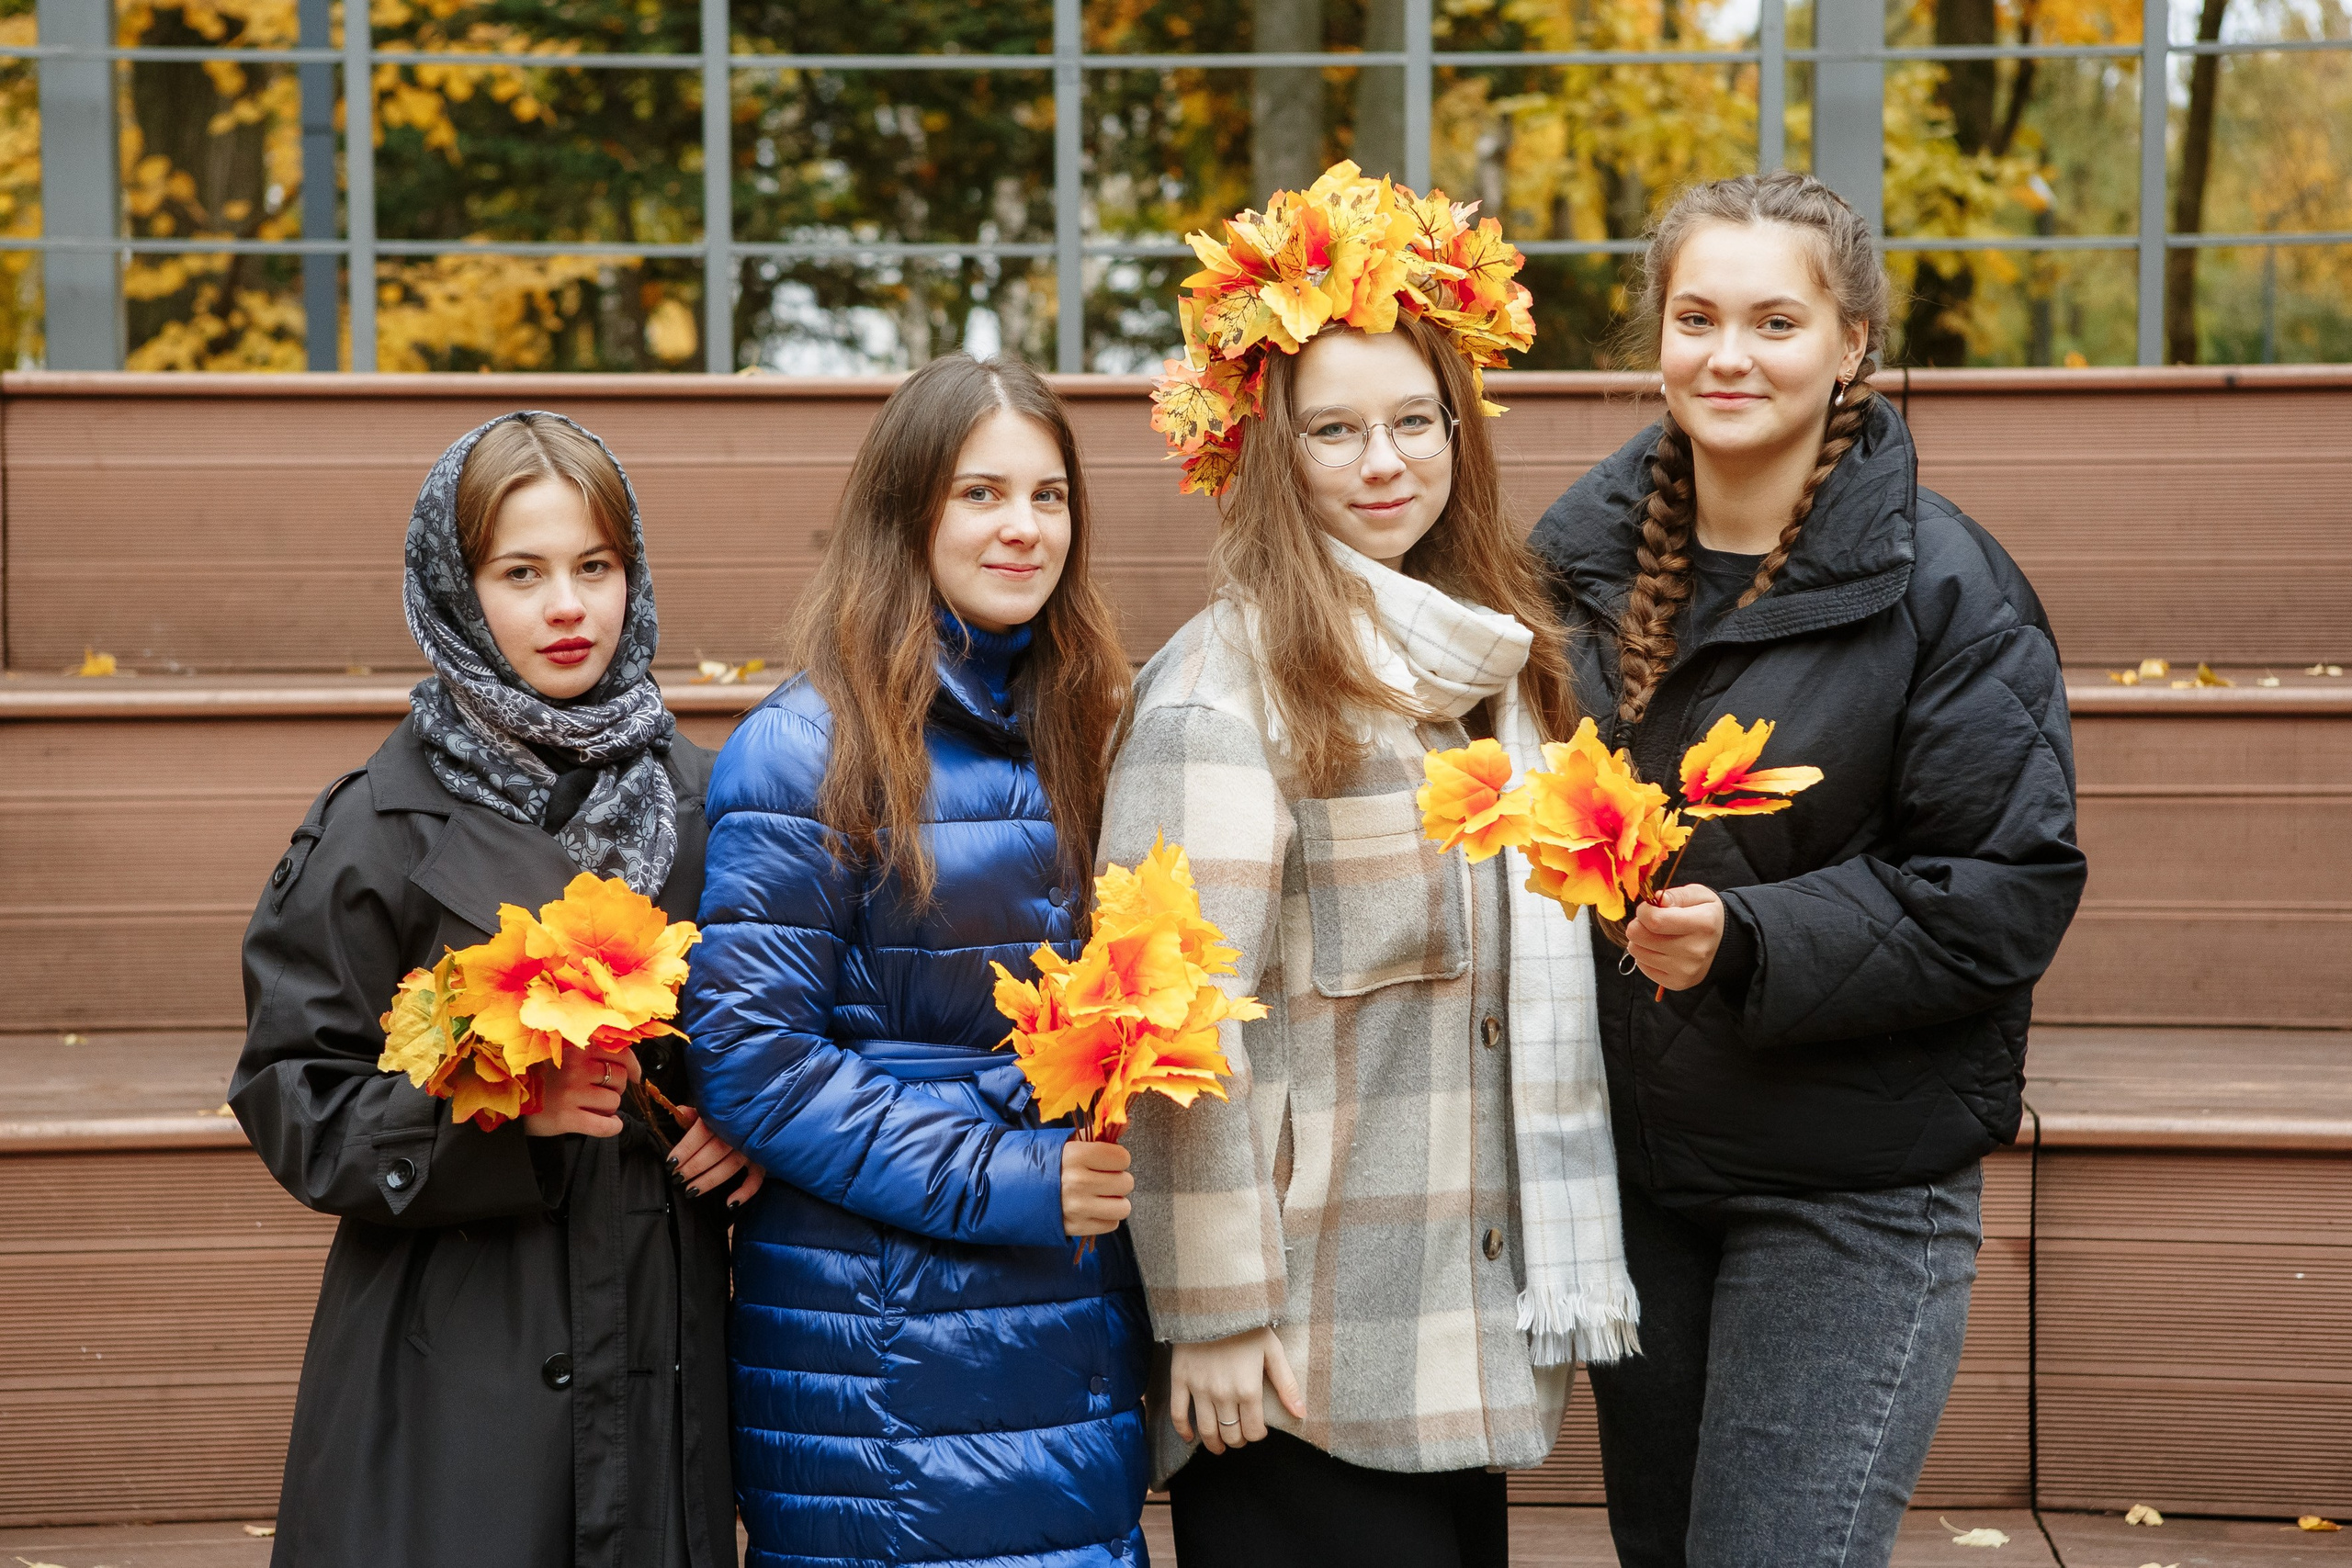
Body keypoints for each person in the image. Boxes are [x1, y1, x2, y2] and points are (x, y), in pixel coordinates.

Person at [1527, 171, 2087, 1568]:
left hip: (1851, 1189)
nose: (1729, 354)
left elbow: (2006, 887)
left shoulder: (1947, 586)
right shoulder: (1562, 569)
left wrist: (1756, 938)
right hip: (1640, 1181)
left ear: (1852, 344)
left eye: (1777, 320)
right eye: (1696, 315)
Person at [1100, 161, 1641, 1568]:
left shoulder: (1489, 673)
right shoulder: (1227, 694)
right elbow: (1174, 1026)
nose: (1383, 459)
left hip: (1457, 1342)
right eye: (1335, 431)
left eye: (1414, 419)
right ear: (1269, 451)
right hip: (1301, 1358)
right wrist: (1210, 1309)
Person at [232, 411, 760, 1567]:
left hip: (662, 1360)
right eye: (521, 574)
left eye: (595, 568)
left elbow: (782, 1027)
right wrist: (494, 1117)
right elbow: (292, 1093)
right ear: (455, 592)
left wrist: (754, 1122)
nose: (567, 608)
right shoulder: (375, 825)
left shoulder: (714, 803)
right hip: (449, 1371)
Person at [679, 354, 1149, 1568]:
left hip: (1067, 1315)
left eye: (1049, 497)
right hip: (878, 1335)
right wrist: (1010, 1176)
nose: (1022, 527)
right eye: (980, 493)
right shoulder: (804, 748)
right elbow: (754, 1059)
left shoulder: (1089, 725)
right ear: (908, 511)